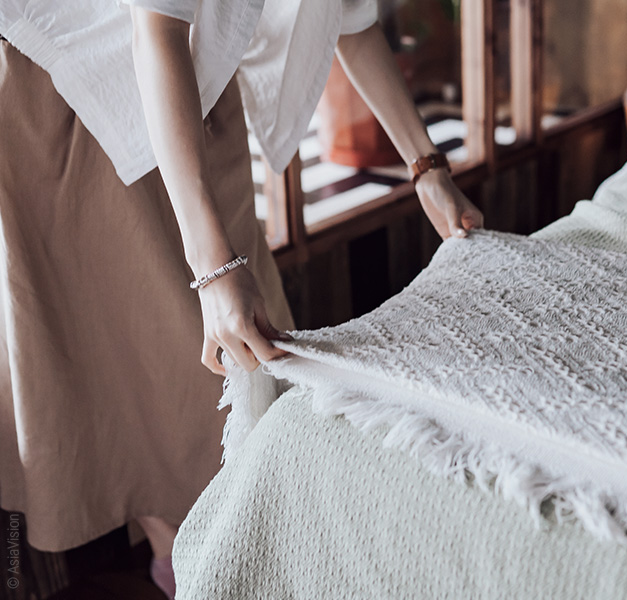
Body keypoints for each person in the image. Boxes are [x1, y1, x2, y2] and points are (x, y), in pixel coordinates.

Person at [0, 0, 481, 596]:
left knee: (247, 373)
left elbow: (349, 20)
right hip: (76, 85)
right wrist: (213, 271)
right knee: (158, 383)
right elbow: (156, 32)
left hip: (189, 81)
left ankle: (191, 561)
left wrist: (427, 169)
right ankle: (184, 564)